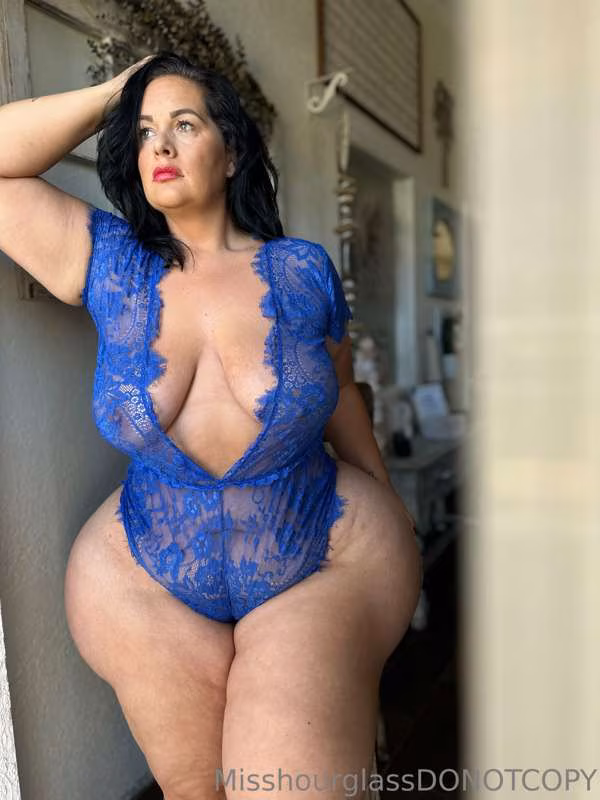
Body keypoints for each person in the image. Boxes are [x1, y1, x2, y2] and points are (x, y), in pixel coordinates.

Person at [0, 52, 422, 800]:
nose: (159, 145)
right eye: (144, 131)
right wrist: (116, 93)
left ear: (231, 153)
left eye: (185, 125)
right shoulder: (108, 262)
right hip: (146, 580)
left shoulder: (301, 270)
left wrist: (390, 507)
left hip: (320, 558)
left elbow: (341, 393)